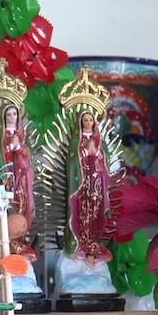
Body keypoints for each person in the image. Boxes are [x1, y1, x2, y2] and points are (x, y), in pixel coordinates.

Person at [0, 104, 36, 259]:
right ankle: (6, 241)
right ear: (4, 117)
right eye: (8, 115)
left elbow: (28, 158)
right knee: (7, 208)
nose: (11, 118)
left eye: (14, 114)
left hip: (20, 179)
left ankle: (20, 241)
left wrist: (20, 148)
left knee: (22, 205)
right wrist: (8, 147)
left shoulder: (22, 136)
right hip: (5, 179)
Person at [65, 110, 112, 262]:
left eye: (90, 120)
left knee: (96, 212)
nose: (88, 123)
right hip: (82, 185)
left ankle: (94, 241)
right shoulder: (76, 140)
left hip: (97, 184)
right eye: (85, 120)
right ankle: (81, 241)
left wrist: (96, 151)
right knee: (82, 213)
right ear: (81, 122)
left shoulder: (99, 140)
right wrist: (85, 151)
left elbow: (105, 160)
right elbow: (73, 161)